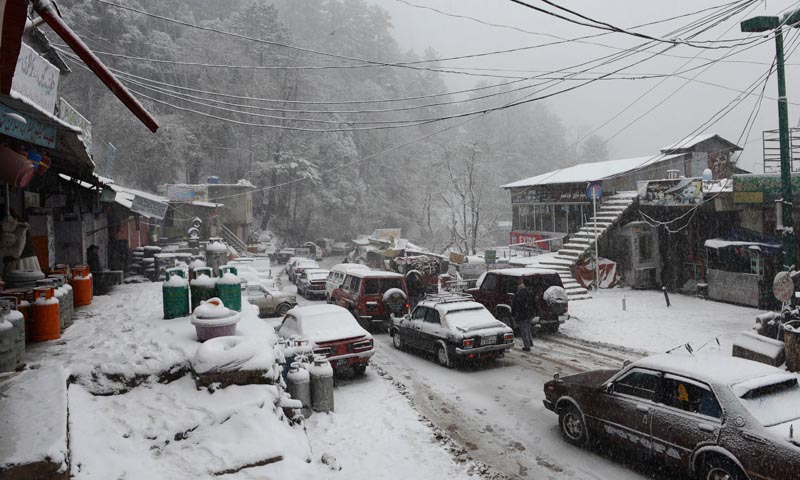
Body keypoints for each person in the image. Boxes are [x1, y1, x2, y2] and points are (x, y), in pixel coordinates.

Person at [512, 278, 536, 351]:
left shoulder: (518, 294)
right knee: (528, 329)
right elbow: (534, 303)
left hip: (523, 315)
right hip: (530, 314)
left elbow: (515, 306)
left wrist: (514, 314)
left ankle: (527, 346)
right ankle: (530, 342)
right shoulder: (529, 292)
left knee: (524, 331)